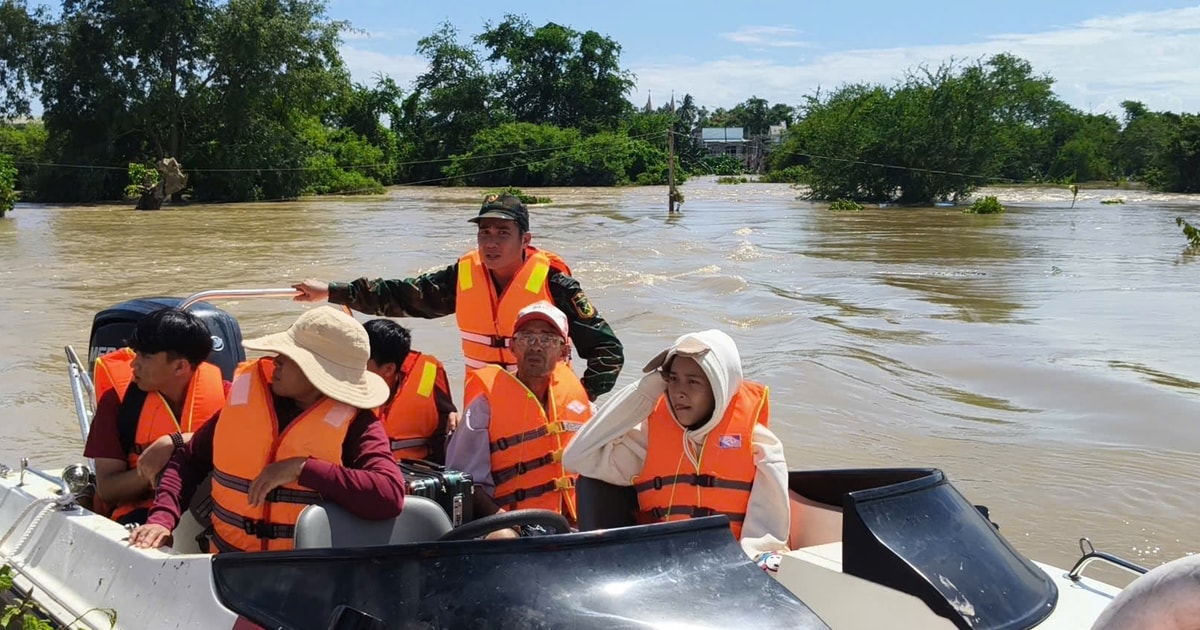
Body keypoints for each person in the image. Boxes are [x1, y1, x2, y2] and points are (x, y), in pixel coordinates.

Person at [292, 193, 624, 401]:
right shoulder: (463, 276)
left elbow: (608, 351)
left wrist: (579, 396)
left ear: (525, 240)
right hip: (483, 405)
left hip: (544, 402)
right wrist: (331, 291)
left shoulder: (556, 283)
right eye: (484, 232)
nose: (491, 242)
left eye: (503, 233)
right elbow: (402, 296)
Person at [128, 306, 405, 552]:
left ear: (319, 374)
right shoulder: (248, 401)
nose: (276, 361)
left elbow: (389, 495)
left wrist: (302, 468)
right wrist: (162, 518)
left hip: (306, 573)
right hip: (227, 566)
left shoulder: (358, 423)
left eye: (288, 356)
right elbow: (189, 460)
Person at [562, 330, 790, 561]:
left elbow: (762, 544)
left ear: (720, 386)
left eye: (693, 381)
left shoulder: (760, 446)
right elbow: (575, 458)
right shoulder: (647, 441)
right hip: (660, 568)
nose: (679, 392)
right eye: (672, 379)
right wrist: (647, 389)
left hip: (729, 568)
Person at [446, 302, 592, 537]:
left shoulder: (581, 402)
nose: (536, 346)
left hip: (571, 523)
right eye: (526, 337)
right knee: (500, 538)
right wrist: (511, 523)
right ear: (513, 347)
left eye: (547, 339)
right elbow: (464, 481)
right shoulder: (484, 406)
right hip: (512, 524)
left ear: (564, 351)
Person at [84, 308, 227, 525]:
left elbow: (242, 444)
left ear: (180, 366)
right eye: (136, 353)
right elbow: (107, 489)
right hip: (140, 513)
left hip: (205, 510)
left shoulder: (227, 397)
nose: (134, 363)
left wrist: (173, 442)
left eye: (146, 356)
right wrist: (150, 470)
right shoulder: (117, 402)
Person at [363, 318, 456, 464]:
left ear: (389, 369)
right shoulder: (343, 385)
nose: (354, 366)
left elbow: (447, 425)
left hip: (417, 469)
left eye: (362, 361)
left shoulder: (428, 372)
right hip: (367, 468)